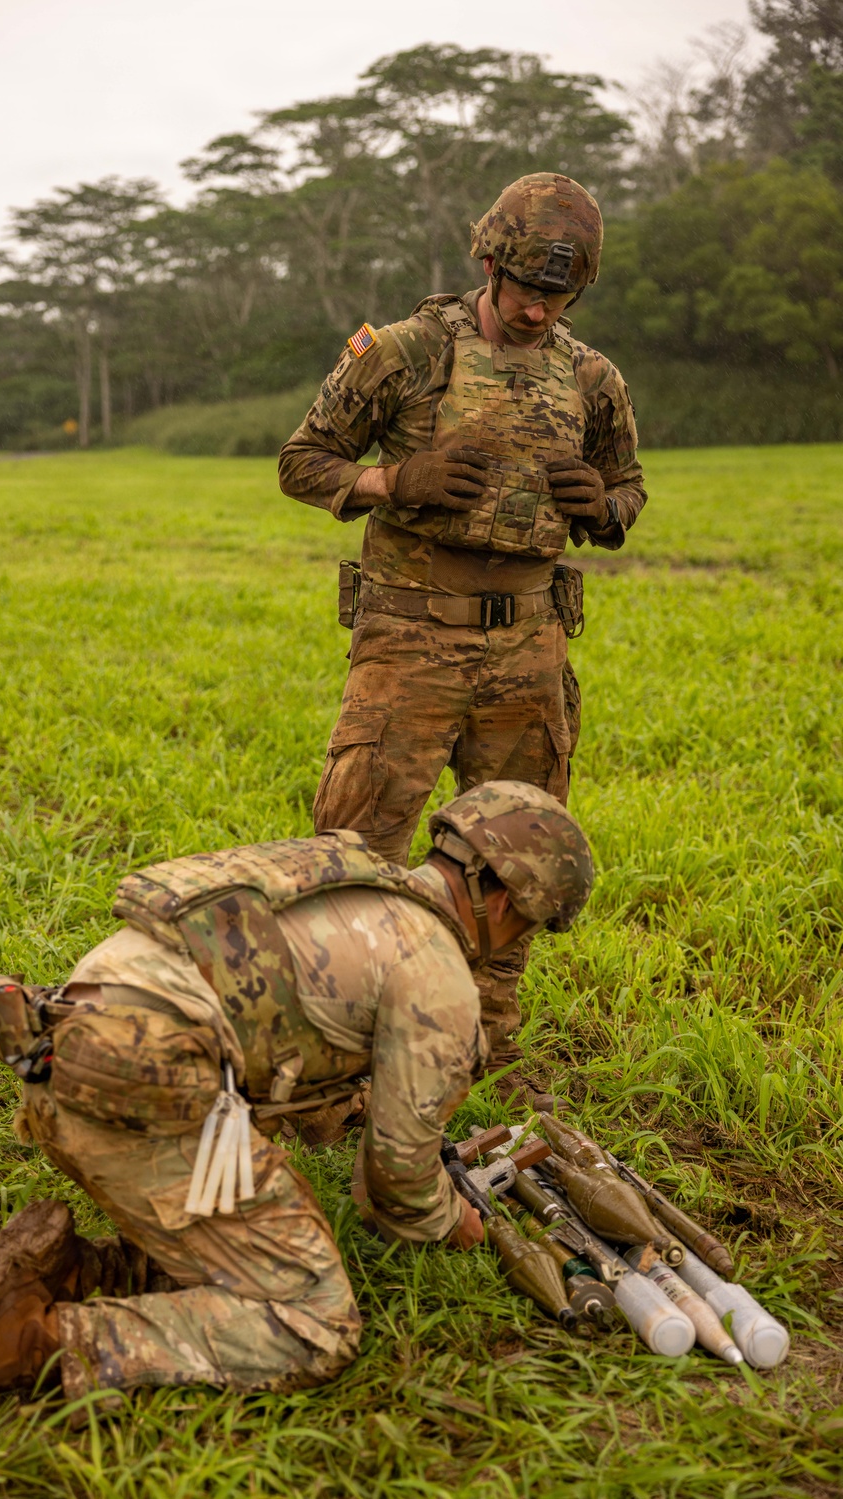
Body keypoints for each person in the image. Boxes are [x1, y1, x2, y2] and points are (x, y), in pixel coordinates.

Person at [0, 781, 593, 1423]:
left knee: (269, 1244)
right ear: (508, 903)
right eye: (531, 926)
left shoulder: (351, 878)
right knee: (317, 1322)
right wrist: (450, 1219)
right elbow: (398, 1175)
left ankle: (76, 1270)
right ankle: (32, 1338)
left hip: (55, 1051)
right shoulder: (437, 972)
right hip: (143, 1094)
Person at [278, 172, 645, 1052]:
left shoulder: (591, 376)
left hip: (529, 643)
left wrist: (602, 505)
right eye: (525, 290)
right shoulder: (403, 353)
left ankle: (485, 1040)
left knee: (514, 857)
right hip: (411, 635)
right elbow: (302, 460)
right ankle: (343, 1046)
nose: (537, 311)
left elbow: (629, 486)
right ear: (489, 263)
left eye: (558, 296)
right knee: (358, 847)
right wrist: (393, 479)